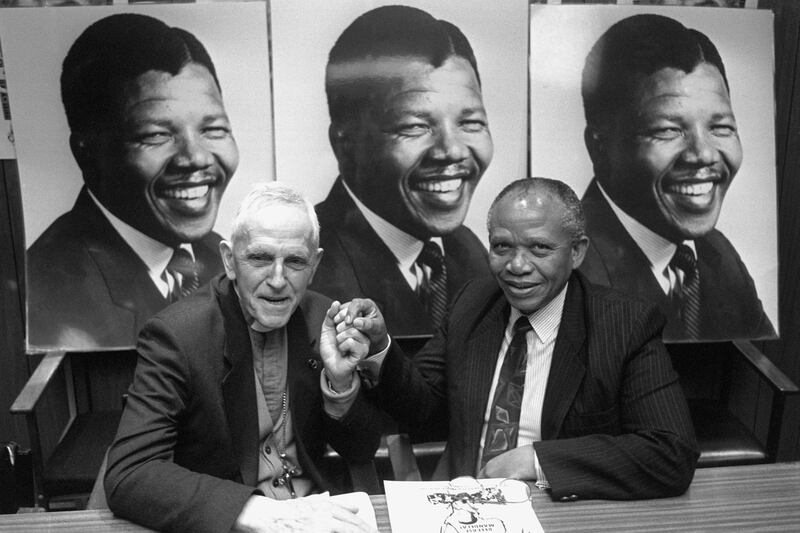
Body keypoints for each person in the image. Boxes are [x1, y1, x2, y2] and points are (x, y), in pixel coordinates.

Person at [326, 178, 698, 501]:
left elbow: (671, 452)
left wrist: (536, 460)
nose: (517, 266)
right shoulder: (474, 303)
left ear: (578, 251)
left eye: (539, 248)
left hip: (557, 506)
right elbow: (421, 408)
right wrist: (379, 348)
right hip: (464, 505)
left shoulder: (623, 324)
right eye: (502, 247)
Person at [104, 182, 381, 533]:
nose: (278, 280)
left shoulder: (324, 318)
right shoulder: (178, 335)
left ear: (315, 265)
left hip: (318, 517)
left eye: (295, 261)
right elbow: (130, 473)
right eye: (261, 258)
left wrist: (341, 385)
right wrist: (258, 512)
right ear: (229, 260)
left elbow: (362, 448)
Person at [26, 13, 239, 348]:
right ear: (88, 152)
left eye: (213, 130)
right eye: (156, 135)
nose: (195, 158)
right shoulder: (50, 292)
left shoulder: (217, 256)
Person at [578, 13, 775, 341]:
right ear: (599, 148)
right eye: (668, 130)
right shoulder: (571, 273)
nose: (704, 154)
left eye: (720, 128)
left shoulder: (717, 257)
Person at [312, 5, 493, 336]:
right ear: (345, 143)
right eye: (415, 126)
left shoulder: (468, 253)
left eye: (470, 123)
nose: (451, 150)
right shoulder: (311, 269)